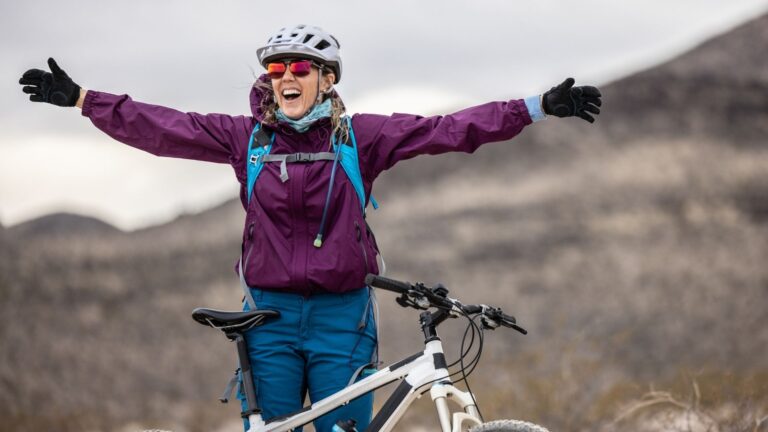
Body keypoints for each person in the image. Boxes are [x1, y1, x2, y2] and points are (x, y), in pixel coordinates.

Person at [19, 24, 601, 432]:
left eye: (301, 68)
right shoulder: (244, 138)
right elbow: (161, 127)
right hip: (267, 318)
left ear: (326, 79)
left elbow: (450, 129)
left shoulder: (361, 138)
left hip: (340, 317)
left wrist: (536, 106)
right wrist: (83, 100)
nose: (286, 77)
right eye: (277, 69)